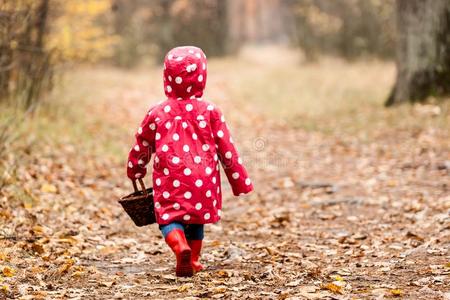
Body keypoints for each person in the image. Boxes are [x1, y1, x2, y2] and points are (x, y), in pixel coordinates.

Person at [126, 46, 253, 277]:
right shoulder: (211, 111)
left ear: (167, 77)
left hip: (170, 177)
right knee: (196, 218)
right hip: (202, 179)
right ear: (201, 77)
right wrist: (240, 181)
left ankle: (179, 247)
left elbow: (142, 144)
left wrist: (136, 168)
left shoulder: (157, 112)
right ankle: (192, 259)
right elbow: (227, 150)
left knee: (167, 216)